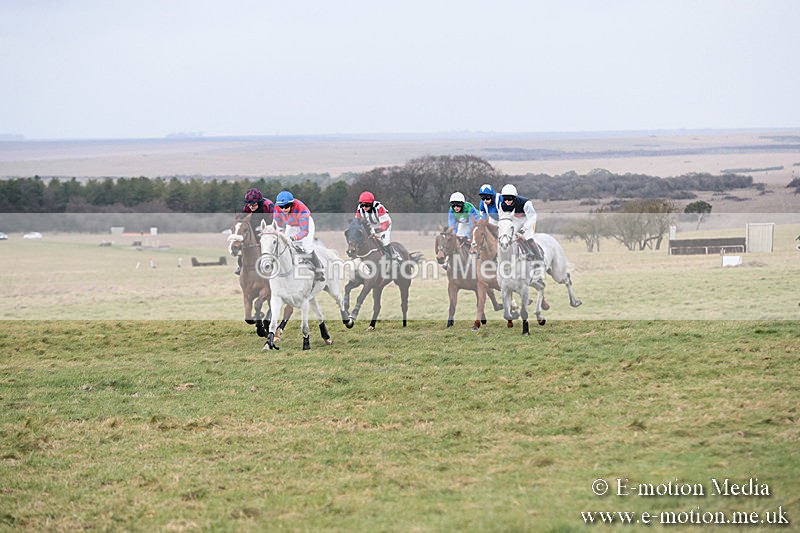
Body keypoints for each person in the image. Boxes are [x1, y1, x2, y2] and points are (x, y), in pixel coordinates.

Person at [272, 190, 325, 281]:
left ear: (291, 204)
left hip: (305, 224)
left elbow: (304, 232)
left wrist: (293, 238)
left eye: (286, 207)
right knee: (283, 244)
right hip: (291, 224)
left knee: (306, 247)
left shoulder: (301, 211)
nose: (284, 209)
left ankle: (319, 270)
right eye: (281, 207)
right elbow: (277, 227)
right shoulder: (277, 209)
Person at [497, 184, 542, 261]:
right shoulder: (502, 205)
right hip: (516, 220)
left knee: (528, 237)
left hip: (528, 220)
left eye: (509, 199)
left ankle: (539, 258)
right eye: (505, 198)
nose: (507, 201)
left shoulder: (526, 203)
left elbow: (532, 217)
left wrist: (524, 229)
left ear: (515, 197)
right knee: (511, 236)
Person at [235, 188, 275, 275]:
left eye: (253, 204)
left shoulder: (268, 205)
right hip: (253, 225)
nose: (250, 207)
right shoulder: (247, 207)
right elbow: (243, 221)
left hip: (268, 226)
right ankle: (241, 263)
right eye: (249, 204)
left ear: (259, 202)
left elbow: (274, 222)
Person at [355, 191, 401, 261]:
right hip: (371, 226)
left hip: (384, 224)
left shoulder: (378, 208)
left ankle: (395, 257)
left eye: (367, 205)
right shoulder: (359, 209)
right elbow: (357, 221)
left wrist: (378, 230)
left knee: (384, 242)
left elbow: (385, 223)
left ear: (371, 203)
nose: (364, 207)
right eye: (362, 205)